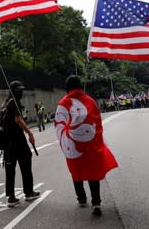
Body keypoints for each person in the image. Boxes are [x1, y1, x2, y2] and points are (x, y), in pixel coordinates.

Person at [54, 75, 118, 216]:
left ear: (67, 87)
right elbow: (97, 123)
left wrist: (66, 142)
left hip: (71, 143)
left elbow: (58, 124)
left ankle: (81, 198)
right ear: (80, 86)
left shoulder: (62, 103)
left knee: (76, 169)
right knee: (92, 170)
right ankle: (96, 202)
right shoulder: (90, 101)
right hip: (90, 143)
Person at [2, 80, 40, 207]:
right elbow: (18, 120)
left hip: (7, 142)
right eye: (19, 90)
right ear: (14, 91)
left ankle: (11, 197)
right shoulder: (14, 102)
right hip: (18, 140)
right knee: (26, 163)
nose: (21, 92)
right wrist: (29, 133)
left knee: (10, 169)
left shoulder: (6, 103)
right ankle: (28, 192)